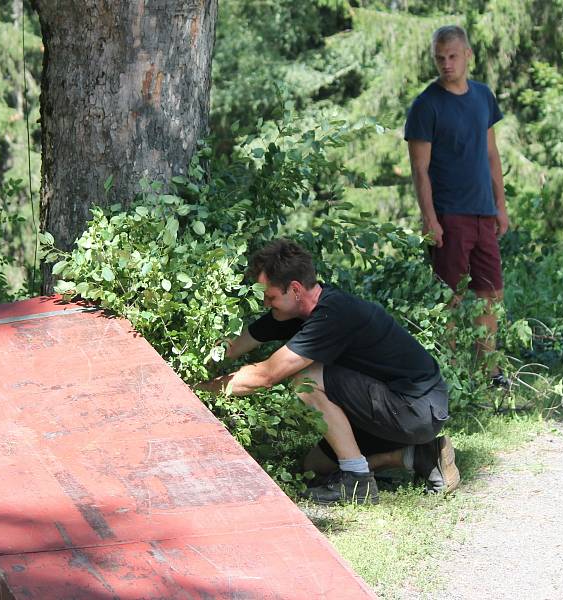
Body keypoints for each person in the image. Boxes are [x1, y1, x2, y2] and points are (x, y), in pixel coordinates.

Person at [197, 239, 459, 505]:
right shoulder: (290, 312)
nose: (265, 303)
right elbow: (230, 348)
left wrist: (196, 393)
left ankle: (358, 481)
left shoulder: (333, 314)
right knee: (315, 467)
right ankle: (419, 456)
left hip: (416, 408)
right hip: (399, 406)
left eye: (271, 296)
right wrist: (187, 367)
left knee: (305, 380)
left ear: (295, 289)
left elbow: (266, 375)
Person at [404, 25, 509, 386]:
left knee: (491, 293)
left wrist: (501, 204)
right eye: (439, 57)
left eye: (452, 56)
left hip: (483, 212)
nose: (446, 64)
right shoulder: (426, 105)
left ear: (467, 55)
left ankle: (488, 373)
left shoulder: (483, 96)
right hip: (449, 215)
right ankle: (447, 374)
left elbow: (491, 154)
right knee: (448, 297)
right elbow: (419, 169)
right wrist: (429, 218)